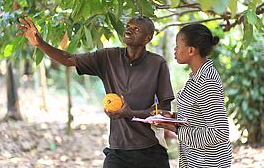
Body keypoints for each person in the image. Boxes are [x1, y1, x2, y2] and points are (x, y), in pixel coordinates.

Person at [17, 16, 175, 168]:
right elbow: (68, 59)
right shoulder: (108, 57)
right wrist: (40, 42)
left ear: (148, 38)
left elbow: (164, 111)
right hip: (118, 151)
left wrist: (130, 113)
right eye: (128, 26)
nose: (129, 30)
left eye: (136, 29)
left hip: (150, 149)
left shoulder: (157, 63)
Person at [154, 24, 232, 167]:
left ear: (191, 50)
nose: (175, 49)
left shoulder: (207, 81)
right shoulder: (196, 77)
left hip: (209, 162)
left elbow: (220, 132)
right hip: (193, 159)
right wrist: (173, 118)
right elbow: (198, 118)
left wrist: (176, 129)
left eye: (178, 45)